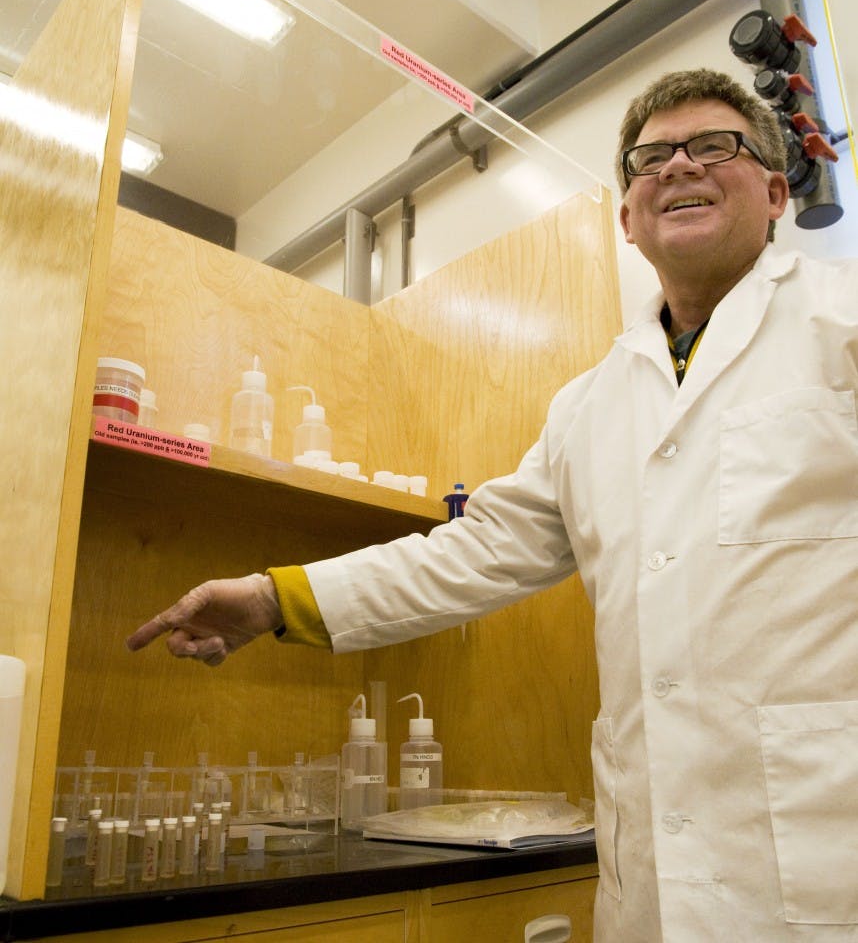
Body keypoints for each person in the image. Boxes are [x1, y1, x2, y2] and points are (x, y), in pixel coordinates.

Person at [127, 68, 858, 942]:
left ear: (776, 192)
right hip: (656, 879)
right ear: (627, 218)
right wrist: (272, 599)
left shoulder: (840, 325)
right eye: (651, 158)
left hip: (824, 862)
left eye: (714, 147)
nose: (679, 167)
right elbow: (469, 554)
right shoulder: (588, 405)